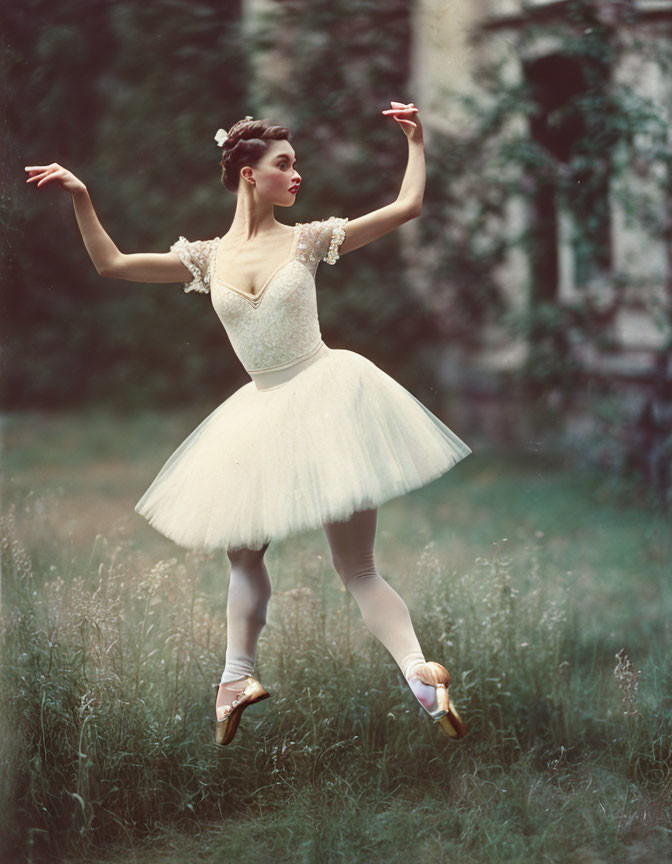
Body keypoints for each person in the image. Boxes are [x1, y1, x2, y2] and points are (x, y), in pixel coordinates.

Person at [24, 101, 472, 746]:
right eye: (283, 165)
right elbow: (112, 265)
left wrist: (418, 144)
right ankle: (398, 678)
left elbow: (405, 209)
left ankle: (363, 672)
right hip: (263, 412)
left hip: (327, 395)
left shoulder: (309, 238)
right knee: (252, 550)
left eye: (296, 165)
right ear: (246, 174)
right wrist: (82, 197)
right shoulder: (205, 258)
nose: (297, 176)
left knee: (354, 568)